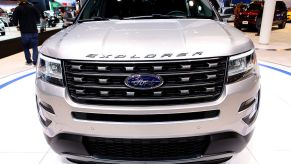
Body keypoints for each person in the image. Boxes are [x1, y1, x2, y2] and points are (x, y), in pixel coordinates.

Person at [12, 0, 40, 65]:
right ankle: (35, 61)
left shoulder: (17, 8)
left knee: (25, 47)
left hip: (24, 32)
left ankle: (28, 60)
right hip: (33, 30)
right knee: (34, 47)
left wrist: (17, 25)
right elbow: (38, 16)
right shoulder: (32, 7)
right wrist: (35, 22)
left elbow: (14, 21)